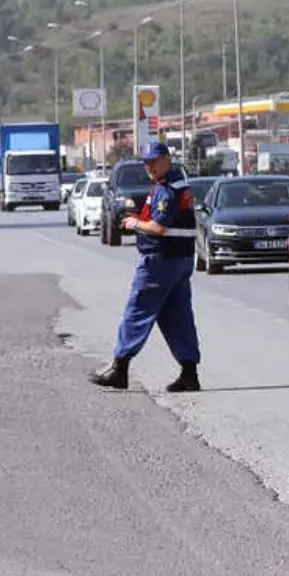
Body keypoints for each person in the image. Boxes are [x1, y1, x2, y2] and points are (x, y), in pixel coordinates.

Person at [90, 142, 202, 392]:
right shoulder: (176, 183)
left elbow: (159, 227)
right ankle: (189, 372)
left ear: (167, 159)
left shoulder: (167, 189)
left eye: (154, 161)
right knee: (177, 316)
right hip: (181, 259)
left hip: (161, 259)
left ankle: (120, 367)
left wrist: (133, 224)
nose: (148, 167)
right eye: (146, 162)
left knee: (138, 310)